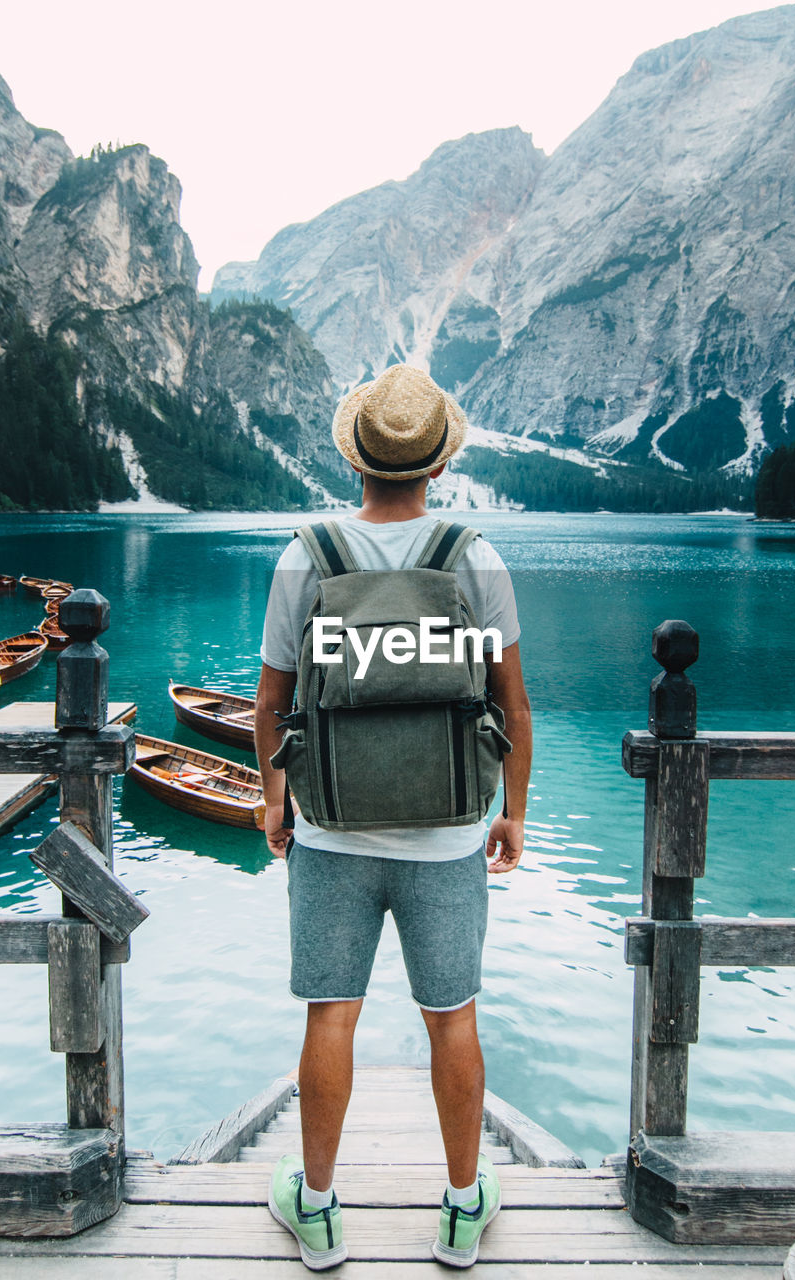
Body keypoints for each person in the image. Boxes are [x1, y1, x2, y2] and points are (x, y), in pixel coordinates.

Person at [256, 364, 532, 1270]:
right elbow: (511, 705)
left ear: (358, 463)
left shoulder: (308, 555)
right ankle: (460, 1213)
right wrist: (513, 815)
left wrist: (272, 798)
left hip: (330, 827)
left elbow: (270, 706)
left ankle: (320, 1212)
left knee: (328, 1017)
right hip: (450, 829)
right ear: (435, 466)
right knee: (451, 1018)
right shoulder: (472, 555)